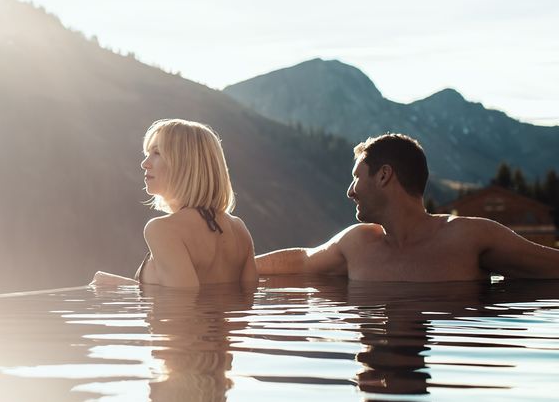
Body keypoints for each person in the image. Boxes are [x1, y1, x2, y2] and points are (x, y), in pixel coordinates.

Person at [256, 133, 559, 281]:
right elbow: (302, 260)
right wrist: (237, 263)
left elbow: (550, 266)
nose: (350, 192)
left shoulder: (470, 238)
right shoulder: (356, 244)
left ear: (384, 175)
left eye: (356, 178)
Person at [94, 119, 257, 289]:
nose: (145, 163)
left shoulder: (162, 230)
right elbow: (246, 300)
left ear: (184, 163)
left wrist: (118, 288)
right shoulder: (239, 229)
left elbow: (182, 305)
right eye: (147, 154)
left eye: (157, 153)